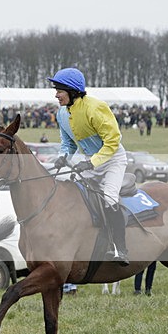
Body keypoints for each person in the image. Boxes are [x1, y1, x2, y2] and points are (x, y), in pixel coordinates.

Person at [50, 67, 129, 265]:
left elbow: (112, 142)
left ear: (72, 91)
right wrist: (62, 157)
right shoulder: (61, 114)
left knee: (109, 197)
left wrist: (91, 163)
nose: (56, 94)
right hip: (88, 162)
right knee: (70, 192)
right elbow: (67, 144)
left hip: (112, 160)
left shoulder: (95, 108)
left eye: (59, 90)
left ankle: (121, 248)